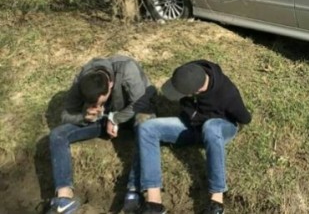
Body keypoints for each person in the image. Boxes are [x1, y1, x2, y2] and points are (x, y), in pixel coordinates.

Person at [137, 60, 251, 214]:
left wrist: (218, 121)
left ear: (196, 91)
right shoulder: (189, 72)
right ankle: (154, 204)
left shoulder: (227, 93)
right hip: (191, 126)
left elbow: (245, 118)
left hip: (219, 128)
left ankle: (216, 203)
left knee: (210, 127)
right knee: (147, 128)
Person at [46, 55, 156, 214]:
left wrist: (116, 118)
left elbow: (141, 103)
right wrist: (85, 116)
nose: (97, 106)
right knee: (58, 134)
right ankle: (64, 199)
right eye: (93, 103)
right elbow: (66, 115)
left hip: (134, 112)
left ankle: (133, 192)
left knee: (146, 125)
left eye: (100, 102)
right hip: (102, 121)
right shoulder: (82, 81)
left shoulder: (127, 69)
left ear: (110, 84)